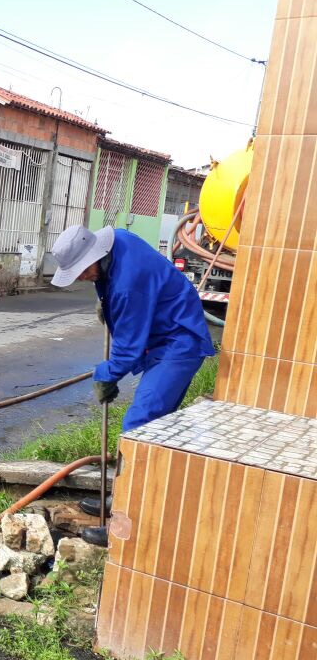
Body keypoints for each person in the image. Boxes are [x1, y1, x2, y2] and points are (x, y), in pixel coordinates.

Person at [50, 224, 215, 541]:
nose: (82, 278)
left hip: (178, 344)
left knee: (139, 424)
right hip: (161, 332)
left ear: (95, 256)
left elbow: (127, 350)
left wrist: (105, 376)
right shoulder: (118, 243)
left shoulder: (127, 285)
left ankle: (128, 522)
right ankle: (125, 497)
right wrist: (108, 304)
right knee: (152, 429)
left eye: (82, 270)